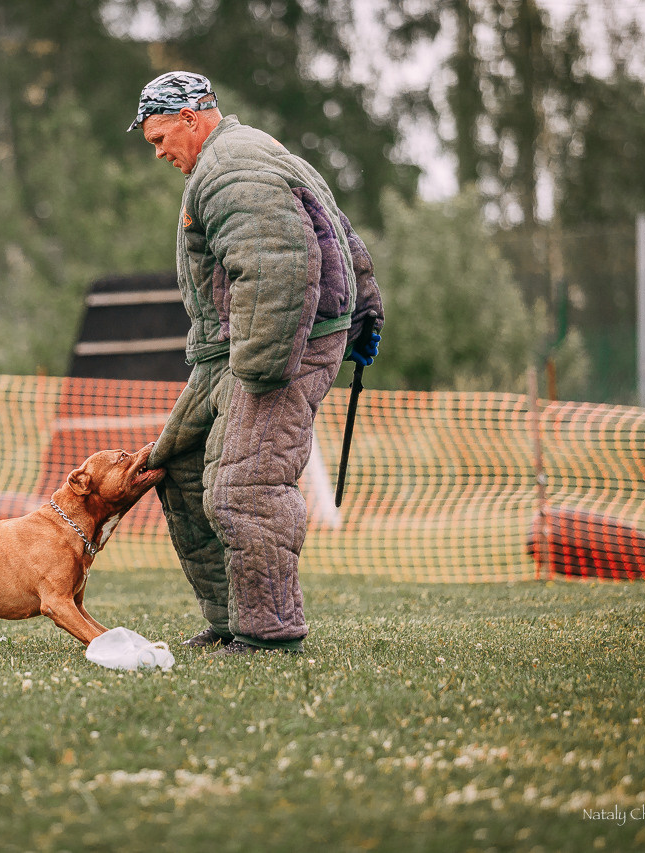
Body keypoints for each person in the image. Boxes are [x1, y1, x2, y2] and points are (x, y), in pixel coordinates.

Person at [128, 71, 384, 656]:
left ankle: (268, 633)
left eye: (161, 138)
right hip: (229, 349)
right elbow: (341, 235)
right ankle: (227, 621)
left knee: (245, 484)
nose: (161, 153)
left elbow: (278, 267)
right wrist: (366, 312)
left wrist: (263, 372)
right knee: (184, 467)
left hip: (271, 350)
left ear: (191, 118)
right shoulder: (245, 155)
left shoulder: (232, 169)